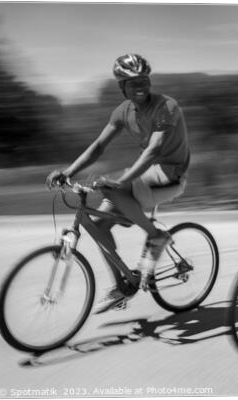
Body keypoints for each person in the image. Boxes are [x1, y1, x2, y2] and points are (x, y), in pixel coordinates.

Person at [47, 53, 190, 313]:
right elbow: (99, 146)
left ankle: (156, 236)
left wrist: (122, 181)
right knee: (99, 226)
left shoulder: (166, 106)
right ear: (121, 87)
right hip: (148, 173)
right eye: (132, 82)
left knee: (113, 185)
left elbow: (154, 151)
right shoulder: (123, 112)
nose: (141, 86)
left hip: (170, 174)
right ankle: (123, 286)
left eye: (144, 80)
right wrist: (68, 172)